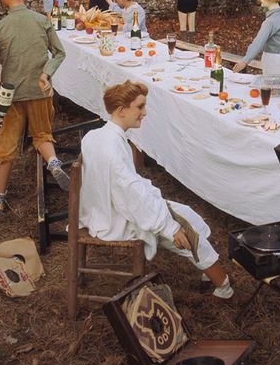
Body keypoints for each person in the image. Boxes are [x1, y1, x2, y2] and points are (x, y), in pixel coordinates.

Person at [79, 80, 234, 299]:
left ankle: (208, 270)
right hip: (114, 217)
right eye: (140, 107)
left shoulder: (95, 136)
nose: (144, 113)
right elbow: (130, 194)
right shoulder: (112, 147)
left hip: (102, 208)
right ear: (121, 110)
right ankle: (224, 287)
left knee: (184, 212)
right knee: (184, 226)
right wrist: (169, 227)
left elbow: (127, 188)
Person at [0, 0, 69, 212]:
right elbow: (60, 52)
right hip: (40, 90)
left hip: (11, 95)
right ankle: (53, 162)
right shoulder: (42, 21)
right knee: (42, 134)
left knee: (6, 145)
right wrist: (46, 73)